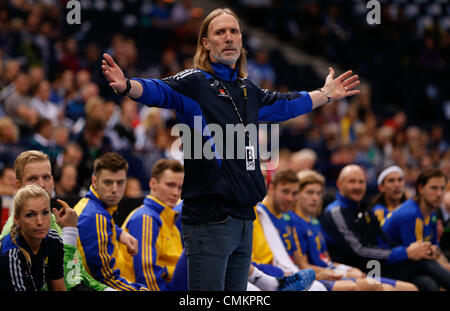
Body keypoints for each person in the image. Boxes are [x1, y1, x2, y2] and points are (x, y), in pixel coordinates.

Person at [101, 7, 360, 291]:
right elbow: (159, 91)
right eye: (220, 32)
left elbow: (285, 104)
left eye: (234, 31)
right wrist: (128, 86)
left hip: (245, 219)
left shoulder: (248, 89)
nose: (228, 38)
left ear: (241, 40)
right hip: (210, 219)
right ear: (206, 43)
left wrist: (325, 95)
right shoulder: (195, 82)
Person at [321, 164, 450, 290]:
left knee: (426, 281)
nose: (357, 186)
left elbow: (384, 241)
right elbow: (359, 250)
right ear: (339, 184)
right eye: (352, 182)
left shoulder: (365, 210)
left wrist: (410, 252)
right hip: (359, 270)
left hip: (375, 265)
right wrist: (405, 252)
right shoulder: (336, 212)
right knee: (423, 263)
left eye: (361, 182)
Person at [0, 150, 110, 291]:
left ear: (52, 180)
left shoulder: (55, 223)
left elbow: (79, 275)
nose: (42, 184)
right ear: (19, 186)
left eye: (46, 177)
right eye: (33, 179)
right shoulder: (12, 234)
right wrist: (70, 233)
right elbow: (71, 282)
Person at [292, 169, 417, 291]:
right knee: (379, 286)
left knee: (411, 288)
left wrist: (347, 269)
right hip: (325, 275)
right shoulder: (297, 222)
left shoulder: (314, 222)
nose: (315, 198)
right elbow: (302, 265)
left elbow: (327, 259)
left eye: (319, 193)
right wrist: (344, 272)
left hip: (345, 268)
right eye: (310, 192)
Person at [74, 152, 149, 291]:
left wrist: (119, 233)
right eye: (108, 182)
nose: (115, 189)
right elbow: (106, 279)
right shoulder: (96, 217)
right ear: (94, 181)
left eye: (120, 182)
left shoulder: (90, 206)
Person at [382, 168, 450, 272]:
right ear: (421, 188)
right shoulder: (409, 214)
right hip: (383, 266)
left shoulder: (432, 214)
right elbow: (417, 255)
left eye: (442, 188)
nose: (439, 193)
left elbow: (435, 249)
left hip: (410, 264)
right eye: (434, 188)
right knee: (428, 282)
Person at [0, 185, 65, 291]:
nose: (40, 222)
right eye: (30, 215)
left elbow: (60, 288)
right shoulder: (10, 256)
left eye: (45, 212)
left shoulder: (53, 239)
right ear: (16, 219)